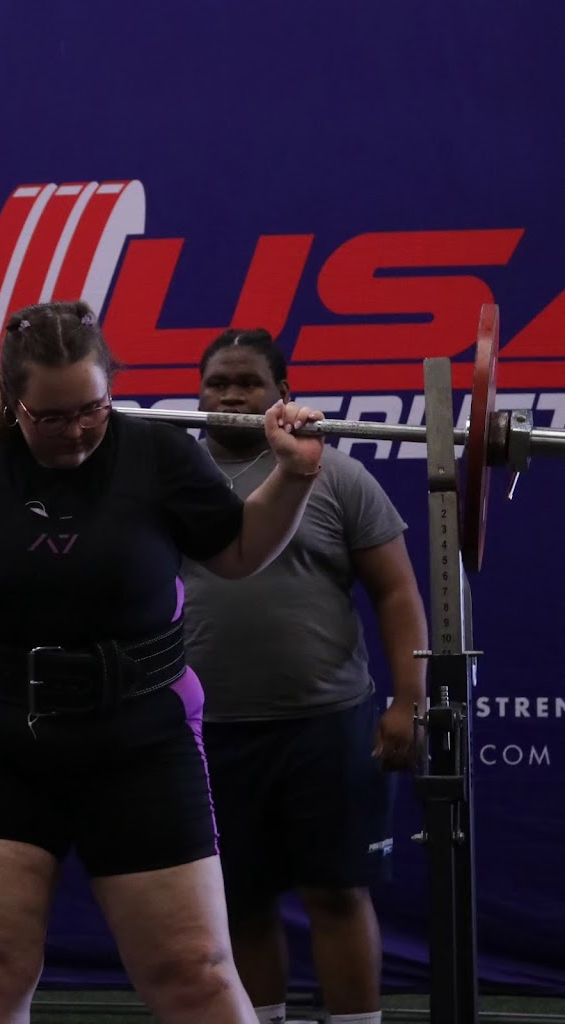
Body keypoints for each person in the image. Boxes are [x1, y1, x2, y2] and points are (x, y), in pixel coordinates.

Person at [0, 301, 325, 1024]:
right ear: (12, 401)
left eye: (91, 410)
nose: (75, 430)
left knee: (193, 972)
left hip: (138, 739)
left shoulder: (157, 452)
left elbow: (235, 552)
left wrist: (292, 475)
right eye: (51, 417)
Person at [181, 329, 428, 1024]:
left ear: (281, 393)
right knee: (239, 901)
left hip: (327, 723)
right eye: (217, 383)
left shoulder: (336, 475)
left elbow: (397, 593)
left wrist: (410, 701)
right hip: (207, 730)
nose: (231, 396)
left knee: (337, 894)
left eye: (247, 383)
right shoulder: (172, 479)